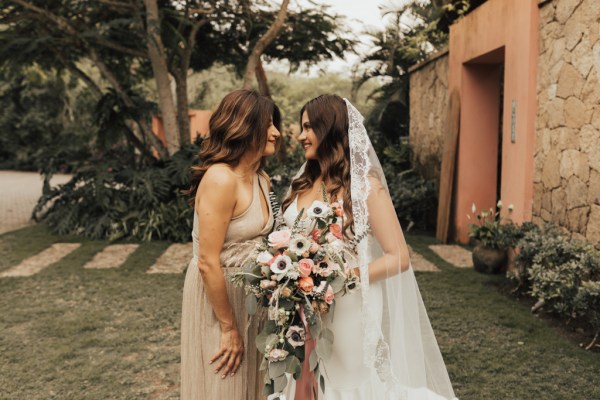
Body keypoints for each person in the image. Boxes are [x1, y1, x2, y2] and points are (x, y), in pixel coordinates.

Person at [280, 94, 456, 400]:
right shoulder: (302, 181)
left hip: (348, 305)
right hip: (298, 304)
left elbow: (399, 257)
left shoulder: (365, 186)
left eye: (308, 128)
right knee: (302, 379)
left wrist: (339, 279)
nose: (300, 136)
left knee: (348, 380)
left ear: (329, 129)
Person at [181, 89, 281, 400]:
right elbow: (208, 261)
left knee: (255, 387)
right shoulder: (220, 179)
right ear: (243, 127)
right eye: (268, 125)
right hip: (220, 298)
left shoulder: (261, 179)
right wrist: (228, 327)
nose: (277, 133)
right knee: (226, 384)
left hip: (253, 298)